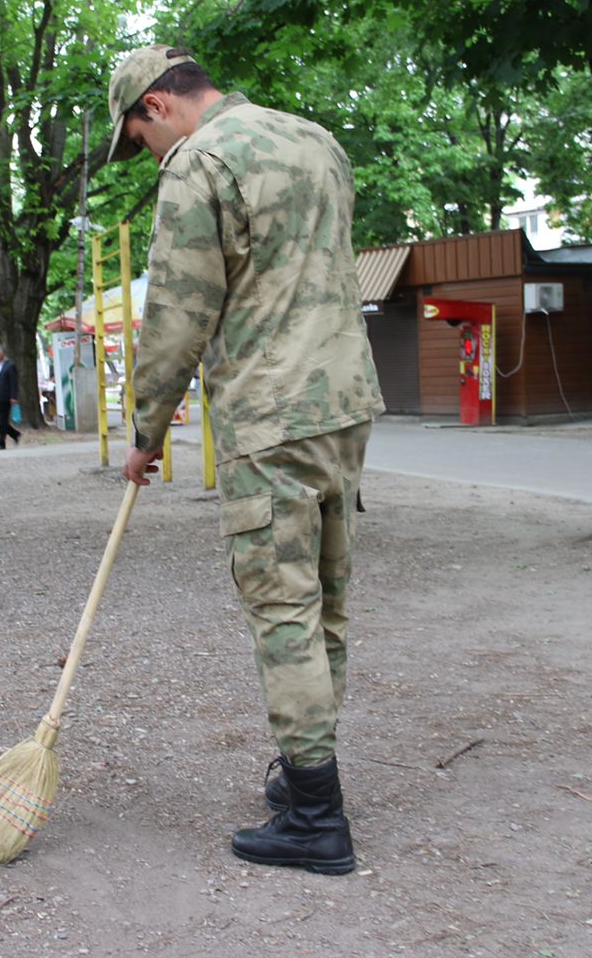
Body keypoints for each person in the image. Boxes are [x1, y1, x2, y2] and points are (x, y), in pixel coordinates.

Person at [107, 44, 385, 875]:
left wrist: (146, 428)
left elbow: (179, 310)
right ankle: (305, 777)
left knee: (283, 612)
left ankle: (315, 821)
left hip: (270, 416)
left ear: (157, 105)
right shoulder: (315, 139)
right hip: (346, 404)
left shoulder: (199, 163)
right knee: (326, 602)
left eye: (137, 139)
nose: (146, 156)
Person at [0, 345, 21, 450]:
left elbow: (13, 382)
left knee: (3, 420)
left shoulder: (10, 366)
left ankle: (1, 443)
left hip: (5, 397)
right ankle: (15, 434)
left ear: (3, 354)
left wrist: (13, 397)